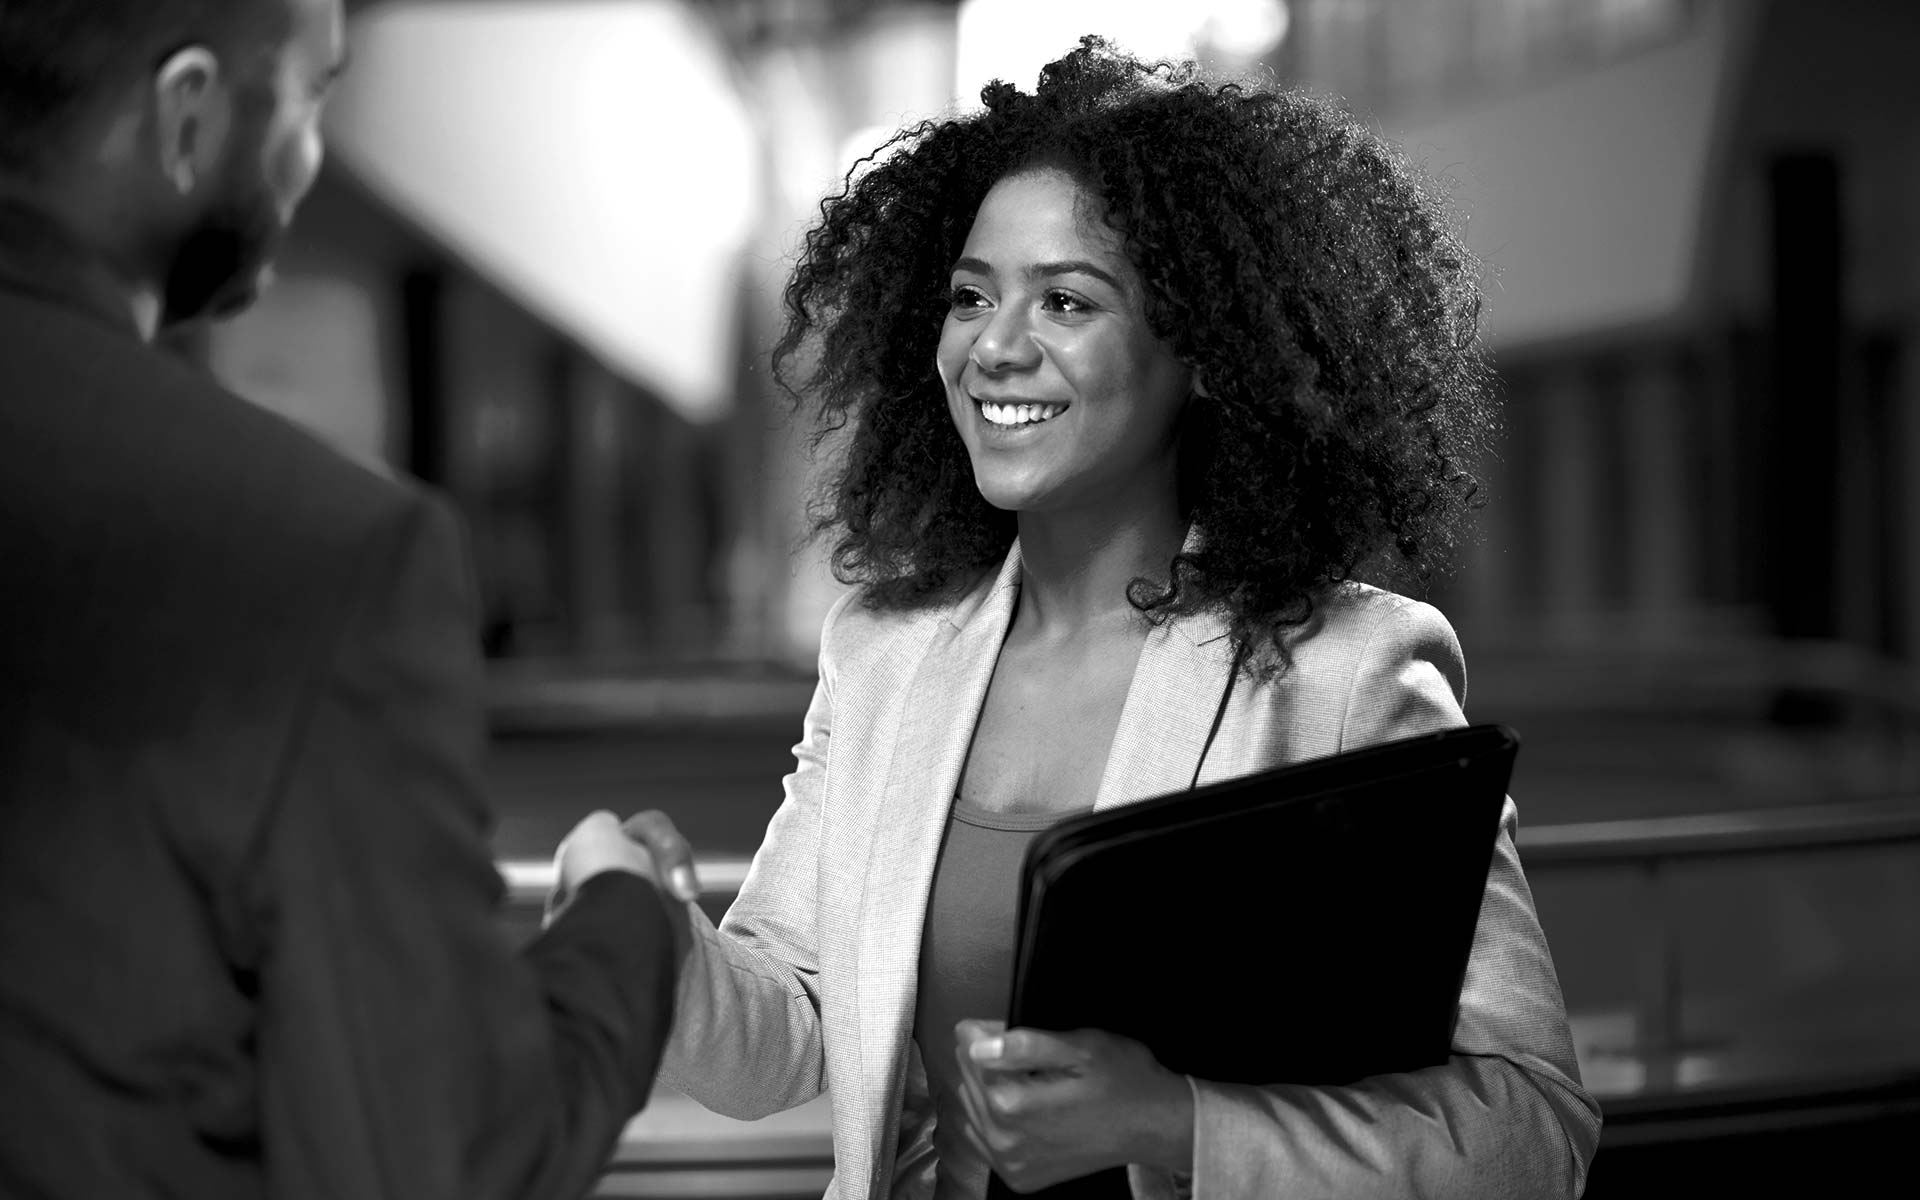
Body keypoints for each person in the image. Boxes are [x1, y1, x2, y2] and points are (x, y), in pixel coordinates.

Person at [611, 38, 1603, 1200]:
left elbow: (1532, 1136)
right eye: (972, 295)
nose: (995, 346)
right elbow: (788, 1036)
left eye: (1067, 300)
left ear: (1207, 355)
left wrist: (1174, 1122)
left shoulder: (1348, 674)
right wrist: (659, 940)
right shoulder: (882, 655)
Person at [0, 2, 690, 1197]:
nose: (311, 157)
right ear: (188, 117)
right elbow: (443, 1162)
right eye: (312, 97)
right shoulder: (315, 551)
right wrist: (627, 917)